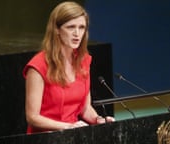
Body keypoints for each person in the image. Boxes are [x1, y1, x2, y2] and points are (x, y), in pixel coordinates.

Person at [23, 1, 115, 134]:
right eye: (71, 27)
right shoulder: (38, 66)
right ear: (56, 29)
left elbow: (85, 108)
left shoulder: (83, 61)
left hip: (72, 134)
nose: (77, 34)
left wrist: (98, 120)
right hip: (45, 137)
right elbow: (32, 117)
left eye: (82, 27)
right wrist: (66, 126)